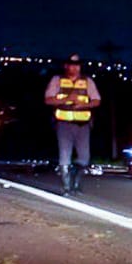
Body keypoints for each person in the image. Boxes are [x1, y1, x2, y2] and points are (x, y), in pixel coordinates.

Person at [44, 53, 100, 192]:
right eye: (71, 65)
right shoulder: (57, 80)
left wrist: (83, 105)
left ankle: (76, 181)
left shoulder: (87, 81)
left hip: (83, 124)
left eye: (77, 65)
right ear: (66, 66)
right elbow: (48, 99)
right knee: (64, 155)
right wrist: (67, 99)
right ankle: (66, 186)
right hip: (64, 123)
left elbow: (96, 100)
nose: (74, 68)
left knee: (84, 157)